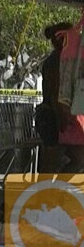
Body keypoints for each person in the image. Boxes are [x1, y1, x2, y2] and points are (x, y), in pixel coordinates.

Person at [37, 22, 73, 173]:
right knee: (53, 161)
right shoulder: (56, 61)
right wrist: (62, 118)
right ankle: (52, 191)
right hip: (53, 117)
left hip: (52, 115)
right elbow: (55, 94)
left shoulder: (58, 59)